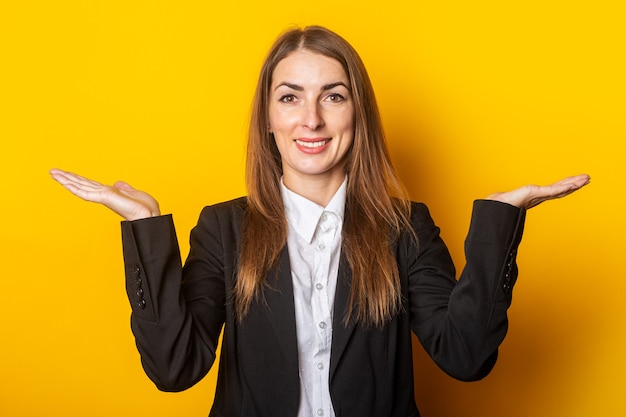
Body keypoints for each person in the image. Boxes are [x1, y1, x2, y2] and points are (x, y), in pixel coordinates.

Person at [50, 25, 589, 417]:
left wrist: (501, 222)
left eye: (333, 96)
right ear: (268, 117)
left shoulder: (405, 228)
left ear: (358, 115)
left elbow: (466, 356)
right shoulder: (223, 230)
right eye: (290, 98)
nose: (311, 119)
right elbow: (175, 369)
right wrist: (146, 226)